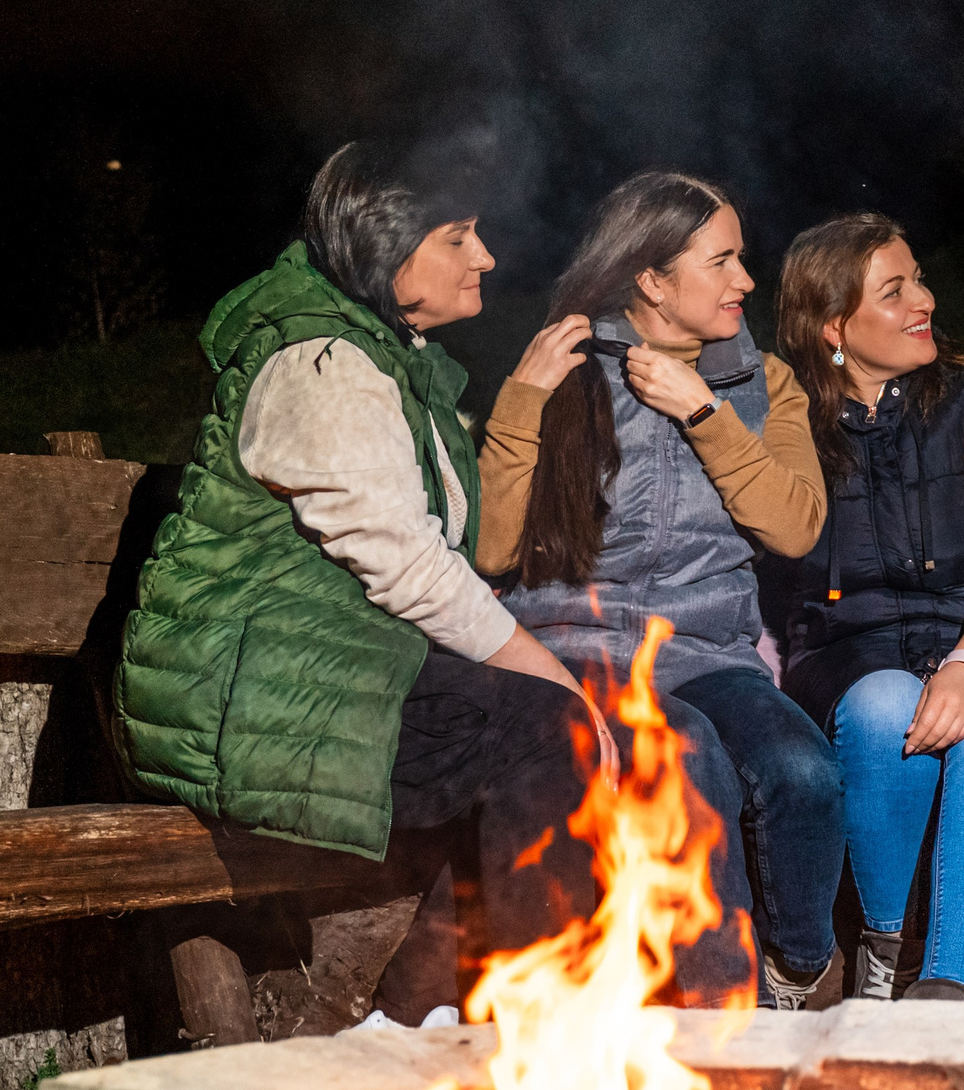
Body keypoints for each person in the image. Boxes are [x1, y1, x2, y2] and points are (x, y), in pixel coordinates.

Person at [113, 139, 753, 1001]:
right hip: (246, 696)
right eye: (459, 237)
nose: (485, 256)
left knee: (575, 735)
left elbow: (468, 544)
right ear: (388, 246)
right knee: (548, 729)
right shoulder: (323, 366)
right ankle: (533, 1027)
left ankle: (438, 1017)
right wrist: (552, 676)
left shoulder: (392, 360)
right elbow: (412, 566)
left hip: (325, 669)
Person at [477, 172, 846, 1010]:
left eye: (741, 259)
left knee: (803, 772)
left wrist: (706, 413)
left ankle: (795, 972)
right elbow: (493, 548)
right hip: (577, 645)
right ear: (651, 279)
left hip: (706, 649)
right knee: (685, 753)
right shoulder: (563, 370)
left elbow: (795, 527)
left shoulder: (764, 384)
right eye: (721, 261)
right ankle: (721, 1006)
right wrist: (522, 402)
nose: (746, 281)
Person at [769, 214, 964, 1002]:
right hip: (847, 652)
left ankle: (952, 987)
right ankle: (885, 951)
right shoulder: (792, 420)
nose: (923, 299)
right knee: (886, 703)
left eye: (917, 278)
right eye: (894, 291)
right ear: (834, 326)